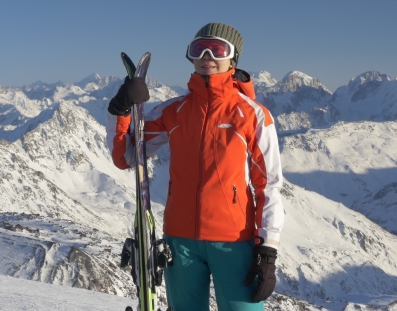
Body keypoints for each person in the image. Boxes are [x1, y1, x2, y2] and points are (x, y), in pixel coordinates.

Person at [106, 22, 285, 311]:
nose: (206, 56)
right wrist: (121, 109)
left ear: (232, 58)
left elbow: (269, 185)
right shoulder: (173, 111)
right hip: (180, 241)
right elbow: (126, 157)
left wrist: (268, 250)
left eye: (216, 49)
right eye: (198, 48)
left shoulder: (252, 115)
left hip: (234, 242)